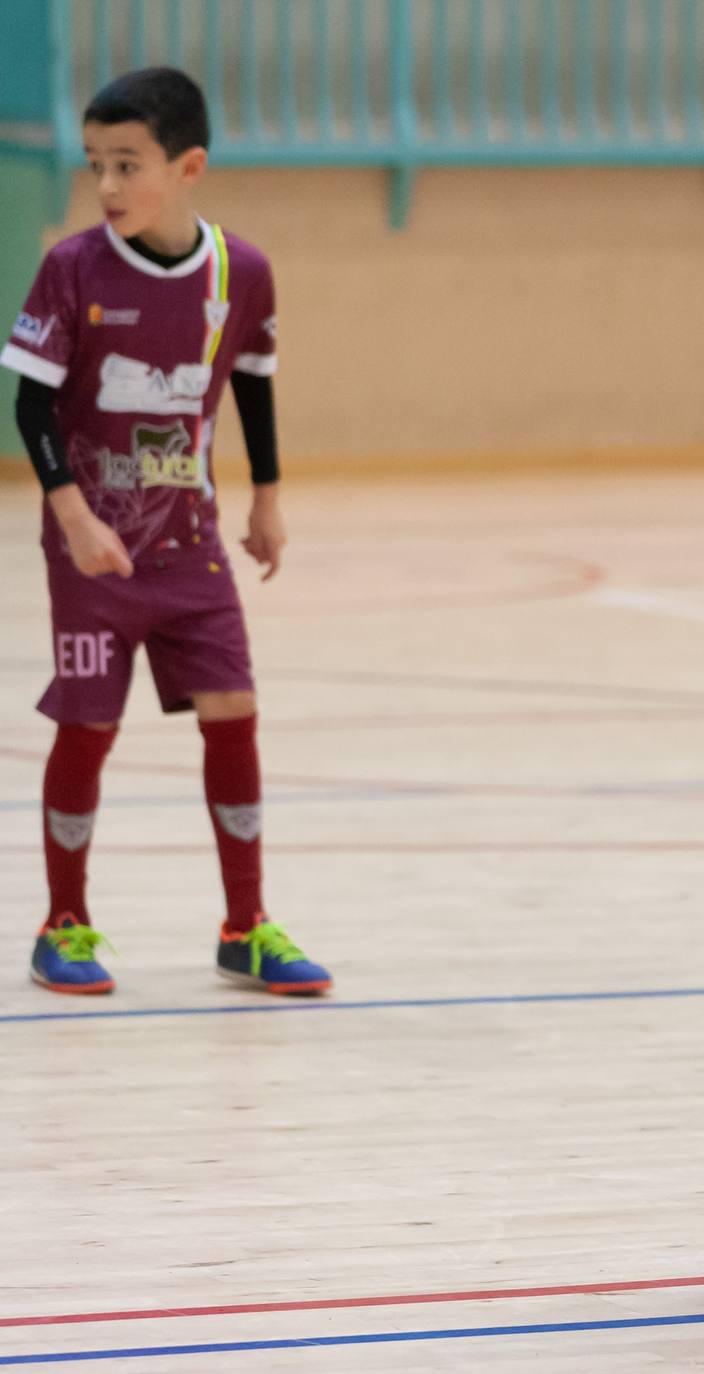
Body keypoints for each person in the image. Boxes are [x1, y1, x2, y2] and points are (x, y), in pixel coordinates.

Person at [5, 68, 329, 997]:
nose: (105, 186)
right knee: (88, 724)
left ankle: (247, 926)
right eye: (95, 164)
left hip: (190, 549)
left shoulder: (240, 272)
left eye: (126, 165)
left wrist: (267, 496)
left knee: (235, 714)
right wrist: (71, 517)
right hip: (92, 552)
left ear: (188, 166)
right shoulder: (73, 268)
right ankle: (63, 922)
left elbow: (253, 381)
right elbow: (29, 403)